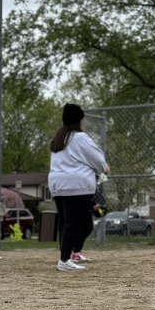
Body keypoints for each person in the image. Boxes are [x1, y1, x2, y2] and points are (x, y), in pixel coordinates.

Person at [48, 103, 109, 272]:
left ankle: (65, 257)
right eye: (84, 119)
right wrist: (104, 168)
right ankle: (65, 260)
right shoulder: (80, 138)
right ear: (80, 120)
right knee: (75, 224)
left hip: (57, 185)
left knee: (65, 223)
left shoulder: (59, 139)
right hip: (76, 186)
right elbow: (97, 158)